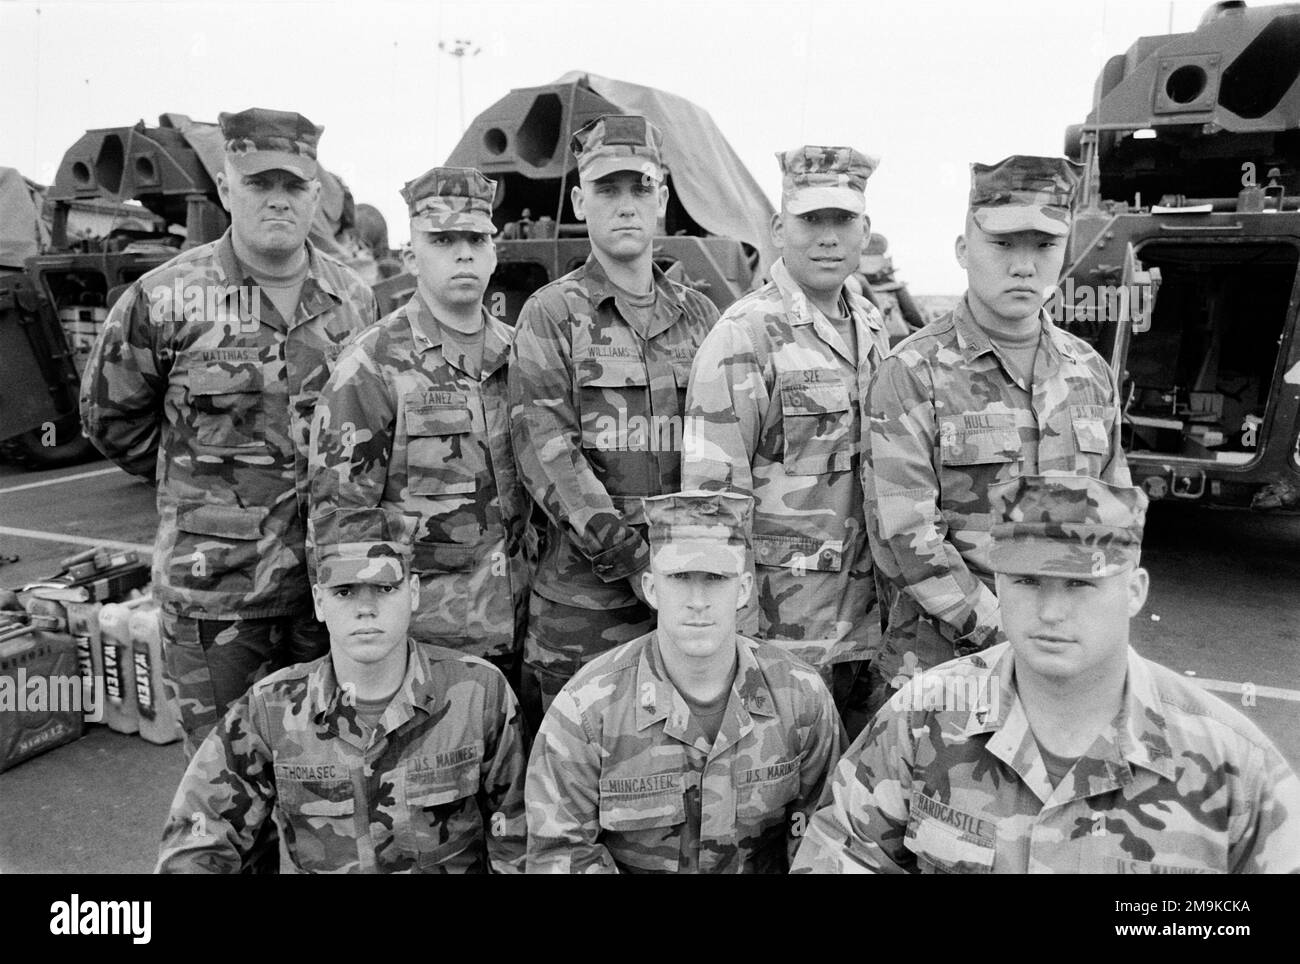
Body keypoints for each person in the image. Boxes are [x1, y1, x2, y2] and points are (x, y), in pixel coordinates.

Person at [792, 475, 1300, 874]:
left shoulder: (1233, 767)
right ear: (1000, 585)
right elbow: (840, 855)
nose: (1051, 611)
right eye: (1028, 581)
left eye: (1079, 584)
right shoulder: (922, 719)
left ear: (1135, 591)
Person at [79, 107, 378, 761]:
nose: (277, 199)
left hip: (328, 597)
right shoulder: (166, 300)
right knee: (226, 785)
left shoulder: (353, 301)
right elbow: (111, 420)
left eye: (294, 185)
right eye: (258, 182)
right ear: (225, 187)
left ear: (315, 193)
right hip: (218, 596)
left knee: (327, 774)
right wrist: (202, 489)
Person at [863, 155, 1129, 713]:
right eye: (1004, 245)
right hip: (945, 671)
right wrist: (1009, 638)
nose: (1024, 267)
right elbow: (905, 536)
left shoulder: (1088, 370)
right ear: (964, 251)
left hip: (1065, 667)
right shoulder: (914, 371)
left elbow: (1113, 520)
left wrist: (1087, 636)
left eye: (1043, 247)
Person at [156, 506, 528, 874]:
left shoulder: (479, 694)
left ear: (413, 593)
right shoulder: (271, 709)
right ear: (319, 602)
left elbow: (520, 839)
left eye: (385, 588)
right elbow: (198, 838)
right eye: (345, 591)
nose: (366, 609)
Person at [508, 114, 720, 729]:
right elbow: (549, 454)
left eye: (640, 189)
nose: (625, 206)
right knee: (576, 776)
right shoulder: (552, 314)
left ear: (662, 199)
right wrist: (634, 563)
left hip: (687, 596)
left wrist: (695, 564)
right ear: (579, 201)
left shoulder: (702, 316)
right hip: (586, 608)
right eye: (607, 190)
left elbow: (725, 448)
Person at [683, 146, 890, 739]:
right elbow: (711, 501)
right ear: (778, 230)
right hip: (781, 630)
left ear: (865, 231)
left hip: (866, 623)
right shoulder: (745, 335)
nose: (827, 238)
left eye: (842, 220)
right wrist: (736, 631)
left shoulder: (873, 327)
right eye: (810, 220)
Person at [526, 490, 844, 874]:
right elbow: (561, 855)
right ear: (650, 588)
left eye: (715, 577)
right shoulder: (587, 710)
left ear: (743, 589)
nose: (697, 599)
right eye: (679, 577)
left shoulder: (800, 697)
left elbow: (825, 840)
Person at [310, 166, 530, 690]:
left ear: (494, 252)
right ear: (412, 255)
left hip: (526, 631)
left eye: (476, 239)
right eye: (442, 239)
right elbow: (341, 524)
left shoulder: (523, 353)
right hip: (430, 645)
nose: (463, 253)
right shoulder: (372, 365)